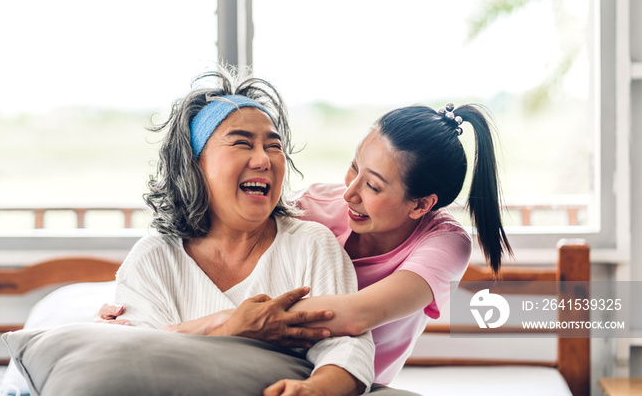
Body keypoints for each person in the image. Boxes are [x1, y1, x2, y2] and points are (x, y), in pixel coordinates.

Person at [100, 97, 511, 386]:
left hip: (348, 381)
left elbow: (353, 319)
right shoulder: (315, 208)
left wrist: (213, 326)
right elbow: (235, 224)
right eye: (353, 169)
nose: (348, 193)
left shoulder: (444, 243)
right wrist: (124, 322)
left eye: (371, 186)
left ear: (421, 205)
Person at [110, 67, 380, 396]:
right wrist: (232, 330)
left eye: (273, 146)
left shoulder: (311, 244)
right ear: (193, 163)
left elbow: (347, 348)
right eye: (242, 143)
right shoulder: (153, 259)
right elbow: (137, 366)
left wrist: (316, 390)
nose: (263, 159)